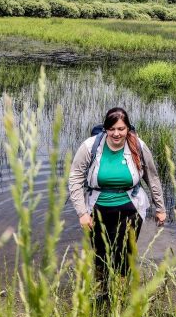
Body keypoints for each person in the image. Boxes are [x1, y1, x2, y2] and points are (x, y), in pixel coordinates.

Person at [68, 107, 166, 302]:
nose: (116, 133)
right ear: (105, 129)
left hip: (130, 210)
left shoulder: (137, 146)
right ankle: (101, 292)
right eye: (112, 128)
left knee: (124, 255)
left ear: (128, 128)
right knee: (100, 254)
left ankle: (119, 297)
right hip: (97, 210)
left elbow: (152, 178)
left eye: (121, 128)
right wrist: (82, 213)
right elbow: (75, 178)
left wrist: (160, 208)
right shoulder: (90, 147)